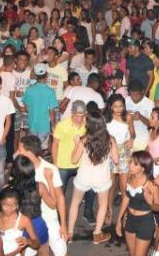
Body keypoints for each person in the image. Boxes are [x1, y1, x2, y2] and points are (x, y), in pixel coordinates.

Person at [16, 135, 71, 256]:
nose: (17, 153)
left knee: (62, 255)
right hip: (29, 222)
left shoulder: (50, 169)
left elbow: (60, 198)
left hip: (50, 221)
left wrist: (63, 225)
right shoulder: (20, 169)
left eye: (20, 150)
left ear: (30, 153)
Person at [68, 111, 118, 244]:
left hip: (84, 177)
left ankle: (70, 234)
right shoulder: (110, 139)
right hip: (102, 178)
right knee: (102, 205)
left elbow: (73, 160)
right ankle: (97, 234)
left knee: (75, 203)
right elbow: (116, 160)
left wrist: (76, 143)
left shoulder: (84, 140)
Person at [116, 151, 159, 256]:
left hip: (145, 222)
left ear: (143, 168)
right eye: (131, 162)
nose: (130, 165)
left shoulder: (151, 185)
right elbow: (126, 198)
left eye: (135, 164)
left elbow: (158, 207)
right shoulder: (130, 177)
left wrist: (149, 202)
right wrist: (119, 219)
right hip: (130, 220)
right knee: (133, 255)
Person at [10, 155, 52, 256]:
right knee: (43, 254)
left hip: (19, 226)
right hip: (37, 225)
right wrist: (49, 180)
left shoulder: (8, 190)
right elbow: (53, 204)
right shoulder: (40, 187)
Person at [106, 93, 136, 223]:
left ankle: (124, 214)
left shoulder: (128, 117)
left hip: (125, 153)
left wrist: (132, 139)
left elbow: (133, 132)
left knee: (124, 187)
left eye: (121, 106)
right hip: (111, 153)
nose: (119, 109)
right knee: (111, 186)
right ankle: (109, 211)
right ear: (110, 107)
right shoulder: (106, 119)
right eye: (115, 107)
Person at [0, 187, 40, 256]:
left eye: (14, 206)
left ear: (18, 205)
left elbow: (37, 243)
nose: (9, 210)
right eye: (5, 205)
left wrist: (28, 241)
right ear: (0, 203)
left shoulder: (24, 220)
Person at [52, 100, 87, 192]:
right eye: (77, 116)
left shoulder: (87, 124)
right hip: (63, 164)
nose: (79, 119)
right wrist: (55, 163)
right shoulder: (62, 125)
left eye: (82, 116)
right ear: (72, 113)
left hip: (81, 163)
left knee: (81, 190)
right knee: (60, 191)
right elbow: (55, 145)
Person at [22, 63, 58, 152]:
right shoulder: (50, 92)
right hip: (44, 126)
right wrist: (53, 126)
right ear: (46, 75)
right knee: (43, 149)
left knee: (32, 148)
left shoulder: (29, 89)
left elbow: (26, 108)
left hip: (32, 124)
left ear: (35, 75)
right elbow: (52, 111)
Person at [126, 80, 155, 151]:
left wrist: (140, 117)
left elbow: (151, 125)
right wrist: (126, 115)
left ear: (142, 92)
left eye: (137, 95)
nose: (134, 97)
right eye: (132, 95)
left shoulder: (149, 103)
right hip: (127, 138)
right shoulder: (125, 100)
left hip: (142, 139)